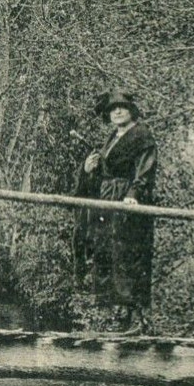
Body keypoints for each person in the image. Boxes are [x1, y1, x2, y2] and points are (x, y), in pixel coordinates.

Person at [74, 90, 157, 334]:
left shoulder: (142, 136)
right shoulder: (112, 137)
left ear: (132, 111)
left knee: (130, 254)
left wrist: (133, 195)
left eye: (122, 107)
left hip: (127, 204)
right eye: (112, 109)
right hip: (108, 200)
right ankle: (119, 316)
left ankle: (136, 318)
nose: (117, 112)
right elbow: (105, 173)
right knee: (109, 253)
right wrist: (89, 169)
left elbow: (145, 171)